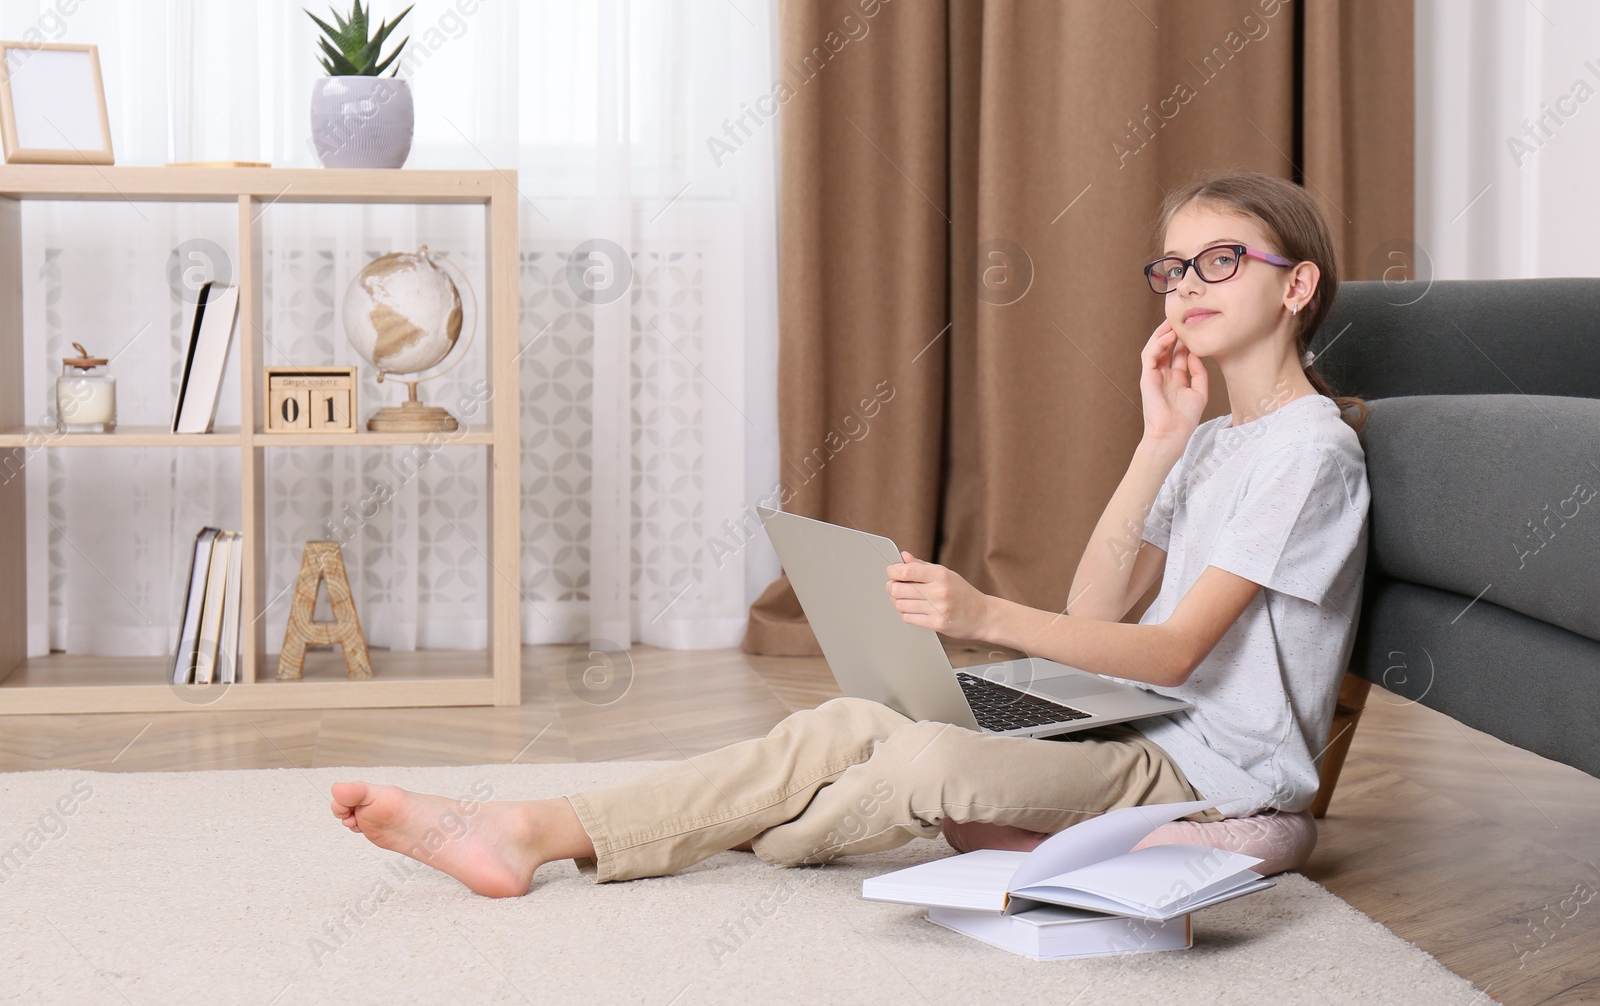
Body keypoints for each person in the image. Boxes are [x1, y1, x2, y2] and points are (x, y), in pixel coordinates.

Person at [329, 170, 1372, 898]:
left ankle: (746, 818)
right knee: (845, 720)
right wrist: (1156, 441)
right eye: (1172, 268)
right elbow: (1095, 613)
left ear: (1295, 284)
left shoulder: (1308, 452)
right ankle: (527, 829)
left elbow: (1178, 647)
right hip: (1126, 722)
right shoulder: (1213, 441)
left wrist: (979, 612)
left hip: (1204, 772)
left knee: (913, 753)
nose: (1184, 285)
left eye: (1218, 261)